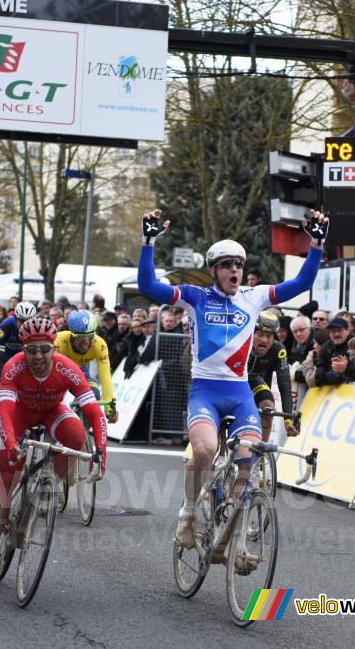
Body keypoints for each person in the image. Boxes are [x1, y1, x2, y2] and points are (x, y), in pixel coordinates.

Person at [137, 207, 327, 549]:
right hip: (205, 390)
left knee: (247, 458)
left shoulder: (254, 298)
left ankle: (233, 533)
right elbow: (148, 285)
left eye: (238, 264)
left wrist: (315, 244)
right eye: (226, 264)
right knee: (206, 449)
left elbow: (302, 283)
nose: (234, 269)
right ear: (214, 271)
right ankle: (188, 513)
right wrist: (148, 242)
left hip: (239, 393)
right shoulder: (195, 298)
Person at [0, 317, 108, 571]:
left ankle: (52, 482)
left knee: (76, 437)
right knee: (10, 473)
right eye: (31, 350)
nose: (38, 356)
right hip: (19, 414)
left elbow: (94, 413)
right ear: (23, 349)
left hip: (51, 411)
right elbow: (4, 411)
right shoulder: (13, 367)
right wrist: (10, 442)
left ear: (54, 347)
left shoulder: (66, 367)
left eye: (44, 349)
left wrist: (102, 455)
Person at [0, 301, 37, 452]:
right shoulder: (6, 325)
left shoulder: (34, 328)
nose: (23, 325)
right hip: (1, 357)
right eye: (21, 321)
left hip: (19, 359)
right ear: (15, 317)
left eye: (27, 322)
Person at [54, 310, 118, 423]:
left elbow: (105, 378)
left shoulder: (99, 344)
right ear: (72, 336)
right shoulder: (59, 341)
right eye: (81, 338)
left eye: (90, 337)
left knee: (94, 394)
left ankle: (84, 433)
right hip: (58, 372)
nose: (87, 342)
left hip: (79, 370)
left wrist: (109, 409)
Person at [247, 311, 296, 440]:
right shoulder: (241, 341)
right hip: (231, 380)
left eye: (269, 336)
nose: (264, 340)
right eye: (260, 334)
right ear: (252, 333)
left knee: (268, 407)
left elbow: (285, 386)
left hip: (252, 379)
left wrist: (288, 419)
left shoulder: (278, 349)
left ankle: (261, 451)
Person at [314, 317, 352, 386]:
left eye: (340, 330)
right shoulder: (325, 347)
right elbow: (320, 369)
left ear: (347, 331)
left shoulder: (354, 345)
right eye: (333, 331)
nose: (336, 334)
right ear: (329, 333)